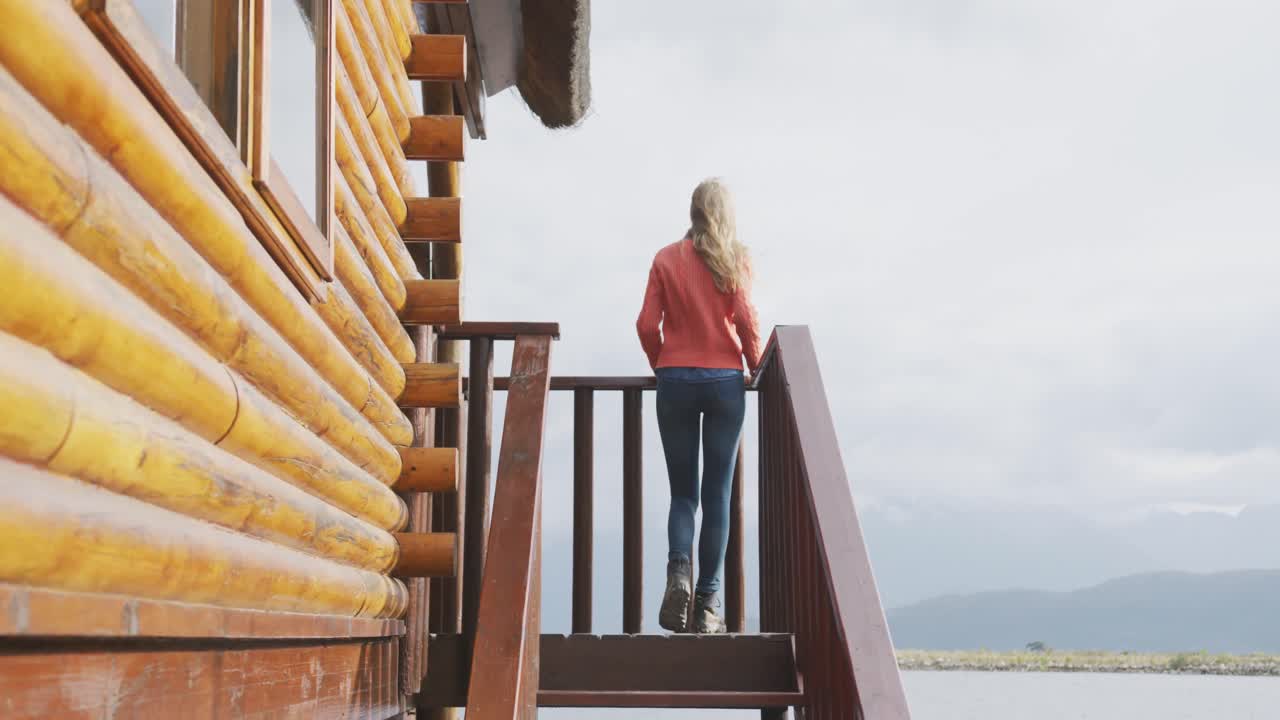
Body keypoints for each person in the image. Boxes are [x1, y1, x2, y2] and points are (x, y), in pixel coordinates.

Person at [636, 178, 763, 633]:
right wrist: (755, 366)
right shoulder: (734, 258)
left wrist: (663, 363)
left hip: (675, 381)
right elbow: (746, 320)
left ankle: (678, 574)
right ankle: (708, 604)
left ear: (692, 213)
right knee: (717, 495)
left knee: (683, 495)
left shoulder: (665, 258)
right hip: (725, 383)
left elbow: (646, 325)